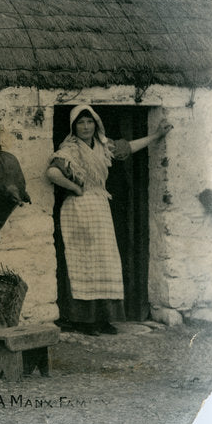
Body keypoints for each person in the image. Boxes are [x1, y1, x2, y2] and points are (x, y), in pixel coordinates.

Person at [45, 105, 172, 336]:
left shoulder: (104, 146)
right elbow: (53, 173)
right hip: (78, 209)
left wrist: (157, 135)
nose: (86, 127)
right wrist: (75, 187)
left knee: (105, 260)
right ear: (74, 127)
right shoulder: (70, 148)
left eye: (89, 122)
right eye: (81, 123)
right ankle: (84, 321)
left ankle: (103, 319)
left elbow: (129, 147)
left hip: (100, 208)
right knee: (83, 262)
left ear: (96, 123)